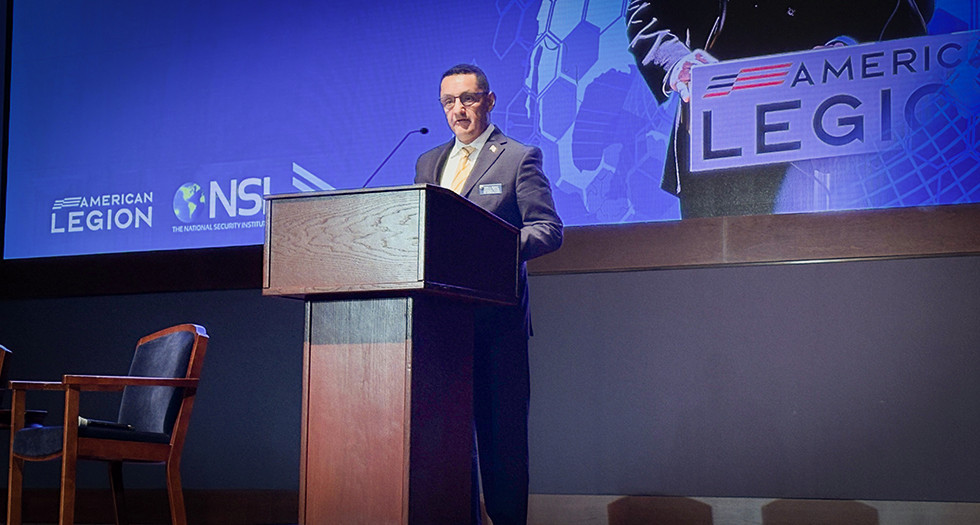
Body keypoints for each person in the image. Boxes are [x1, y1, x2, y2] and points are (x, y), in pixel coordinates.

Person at [415, 63, 563, 525]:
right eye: (449, 102)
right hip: (439, 329)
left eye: (468, 99)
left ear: (490, 100)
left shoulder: (520, 157)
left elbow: (548, 230)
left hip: (496, 324)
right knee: (444, 442)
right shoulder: (427, 162)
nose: (459, 110)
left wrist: (490, 249)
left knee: (502, 442)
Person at [626, 0, 934, 218]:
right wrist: (676, 62)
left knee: (819, 292)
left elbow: (908, 23)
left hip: (827, 150)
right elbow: (647, 10)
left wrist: (852, 51)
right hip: (714, 148)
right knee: (715, 291)